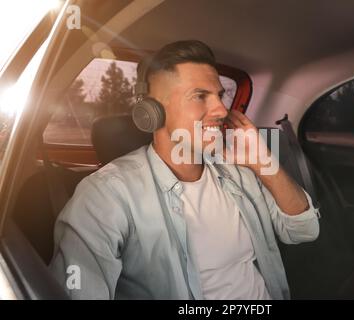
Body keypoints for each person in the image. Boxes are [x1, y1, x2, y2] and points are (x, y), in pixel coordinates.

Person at [49, 40, 320, 300]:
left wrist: (263, 162)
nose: (220, 110)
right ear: (152, 112)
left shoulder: (239, 171)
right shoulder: (107, 195)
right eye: (200, 96)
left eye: (219, 96)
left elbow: (304, 230)